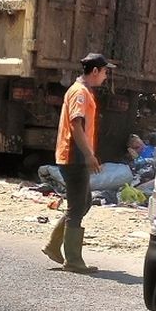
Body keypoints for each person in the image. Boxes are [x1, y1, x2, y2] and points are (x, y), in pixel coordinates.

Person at [42, 52, 115, 274]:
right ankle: (72, 259)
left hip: (76, 157)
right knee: (77, 207)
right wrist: (89, 155)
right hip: (74, 158)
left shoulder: (83, 91)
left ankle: (53, 245)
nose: (105, 77)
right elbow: (76, 126)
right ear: (95, 71)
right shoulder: (80, 93)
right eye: (104, 72)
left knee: (84, 203)